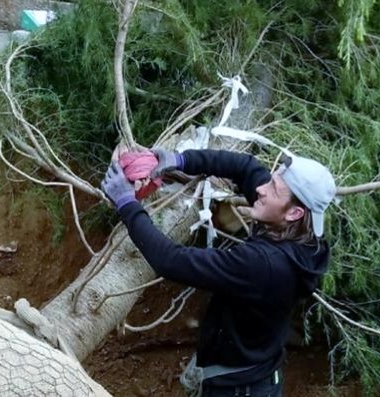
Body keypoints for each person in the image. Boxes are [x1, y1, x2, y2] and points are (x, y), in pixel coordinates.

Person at [101, 148, 336, 397]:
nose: (261, 189)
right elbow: (245, 166)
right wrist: (180, 159)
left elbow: (170, 261)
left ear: (294, 213)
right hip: (248, 375)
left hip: (238, 390)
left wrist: (126, 203)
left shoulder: (264, 265)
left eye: (273, 189)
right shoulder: (291, 227)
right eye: (270, 180)